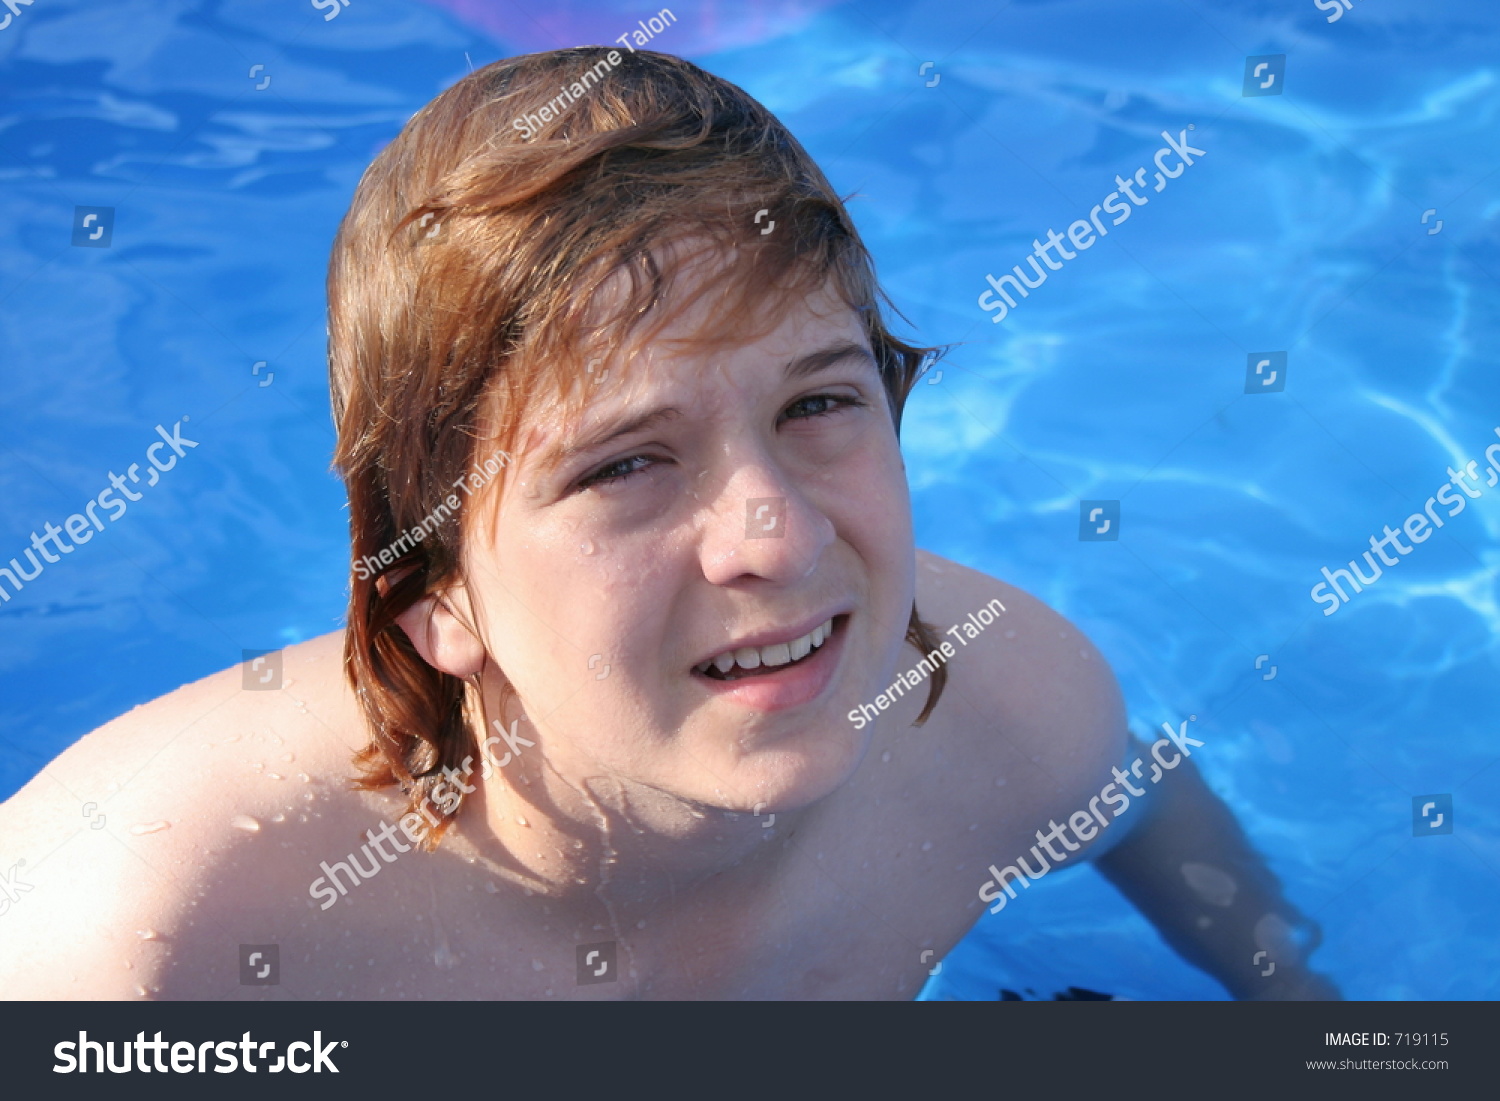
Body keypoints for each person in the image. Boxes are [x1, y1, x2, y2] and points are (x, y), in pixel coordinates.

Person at [0, 48, 1336, 1000]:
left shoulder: (1017, 724)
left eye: (818, 400)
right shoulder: (143, 932)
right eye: (629, 464)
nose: (778, 535)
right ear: (432, 590)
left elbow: (1162, 822)